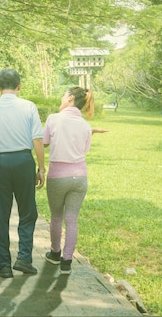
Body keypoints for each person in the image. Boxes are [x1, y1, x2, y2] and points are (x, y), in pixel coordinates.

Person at [0, 68, 45, 278]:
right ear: (19, 85)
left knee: (0, 215)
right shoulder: (29, 106)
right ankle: (24, 258)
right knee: (28, 212)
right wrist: (41, 168)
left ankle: (3, 265)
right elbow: (37, 140)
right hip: (23, 161)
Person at [43, 87, 106, 275]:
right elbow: (83, 150)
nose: (62, 98)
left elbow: (44, 142)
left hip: (58, 176)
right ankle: (67, 261)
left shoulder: (54, 119)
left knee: (56, 216)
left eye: (64, 95)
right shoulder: (86, 125)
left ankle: (55, 254)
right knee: (72, 219)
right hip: (79, 177)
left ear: (70, 98)